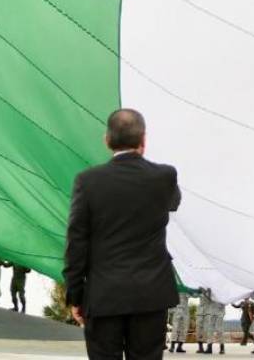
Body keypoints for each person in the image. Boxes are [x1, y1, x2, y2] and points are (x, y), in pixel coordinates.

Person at [64, 108, 182, 360]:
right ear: (144, 140)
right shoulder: (164, 176)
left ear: (107, 140)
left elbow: (76, 242)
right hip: (151, 294)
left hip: (103, 294)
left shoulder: (87, 181)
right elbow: (173, 202)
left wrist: (75, 295)